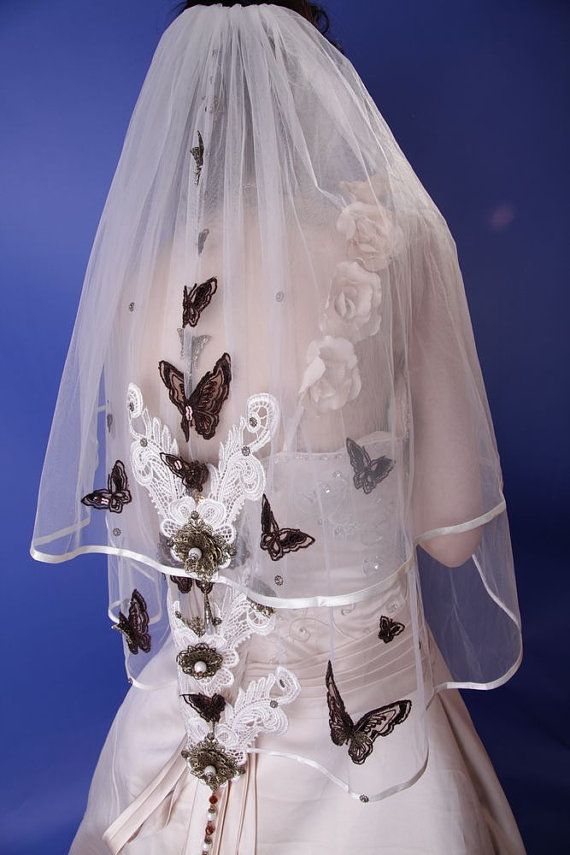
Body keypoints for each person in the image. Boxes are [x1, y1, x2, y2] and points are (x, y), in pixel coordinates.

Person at [31, 2, 525, 852]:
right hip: (368, 764)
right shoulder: (393, 241)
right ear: (318, 93)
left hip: (179, 730)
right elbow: (452, 533)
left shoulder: (139, 279)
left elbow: (153, 533)